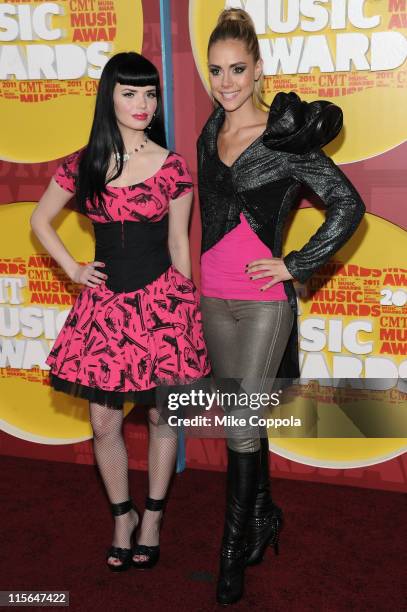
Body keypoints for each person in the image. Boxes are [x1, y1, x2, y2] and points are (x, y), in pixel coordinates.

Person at [197, 8, 365, 605]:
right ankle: (263, 516)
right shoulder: (207, 131)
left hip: (265, 303)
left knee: (241, 422)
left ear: (259, 69)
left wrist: (294, 264)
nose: (225, 81)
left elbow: (348, 204)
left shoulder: (285, 136)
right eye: (216, 70)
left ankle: (232, 552)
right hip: (213, 297)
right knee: (242, 418)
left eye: (237, 69)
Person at [31, 52, 210, 573]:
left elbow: (180, 244)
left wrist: (185, 315)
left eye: (150, 93)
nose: (143, 104)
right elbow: (41, 221)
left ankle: (152, 517)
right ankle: (122, 516)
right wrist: (73, 268)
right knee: (104, 422)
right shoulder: (86, 162)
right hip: (105, 310)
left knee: (160, 414)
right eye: (130, 92)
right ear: (109, 96)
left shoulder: (172, 165)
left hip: (162, 304)